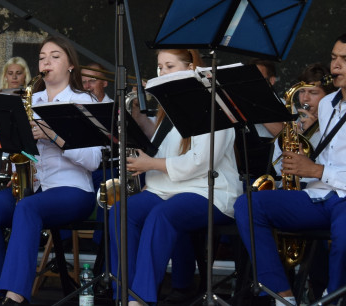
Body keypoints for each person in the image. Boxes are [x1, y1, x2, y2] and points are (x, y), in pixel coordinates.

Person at [0, 36, 102, 305]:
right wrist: (20, 162)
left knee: (28, 208)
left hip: (73, 190)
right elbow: (19, 147)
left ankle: (15, 296)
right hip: (34, 186)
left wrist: (53, 136)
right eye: (42, 57)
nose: (46, 61)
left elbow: (92, 160)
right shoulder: (32, 99)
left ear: (70, 66)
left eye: (55, 56)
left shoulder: (84, 100)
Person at [113, 48, 239, 306]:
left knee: (163, 215)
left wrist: (150, 164)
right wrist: (136, 116)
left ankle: (141, 299)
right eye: (160, 67)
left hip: (208, 191)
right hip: (166, 188)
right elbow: (164, 143)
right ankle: (123, 295)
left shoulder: (213, 103)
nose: (162, 73)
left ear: (191, 67)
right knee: (121, 212)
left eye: (169, 66)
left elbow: (201, 162)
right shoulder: (170, 105)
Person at [235, 35, 346, 306]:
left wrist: (317, 170)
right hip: (318, 197)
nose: (336, 66)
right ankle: (281, 296)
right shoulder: (329, 103)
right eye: (334, 58)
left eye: (344, 60)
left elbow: (322, 168)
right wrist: (298, 161)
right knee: (248, 205)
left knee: (344, 240)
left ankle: (331, 301)